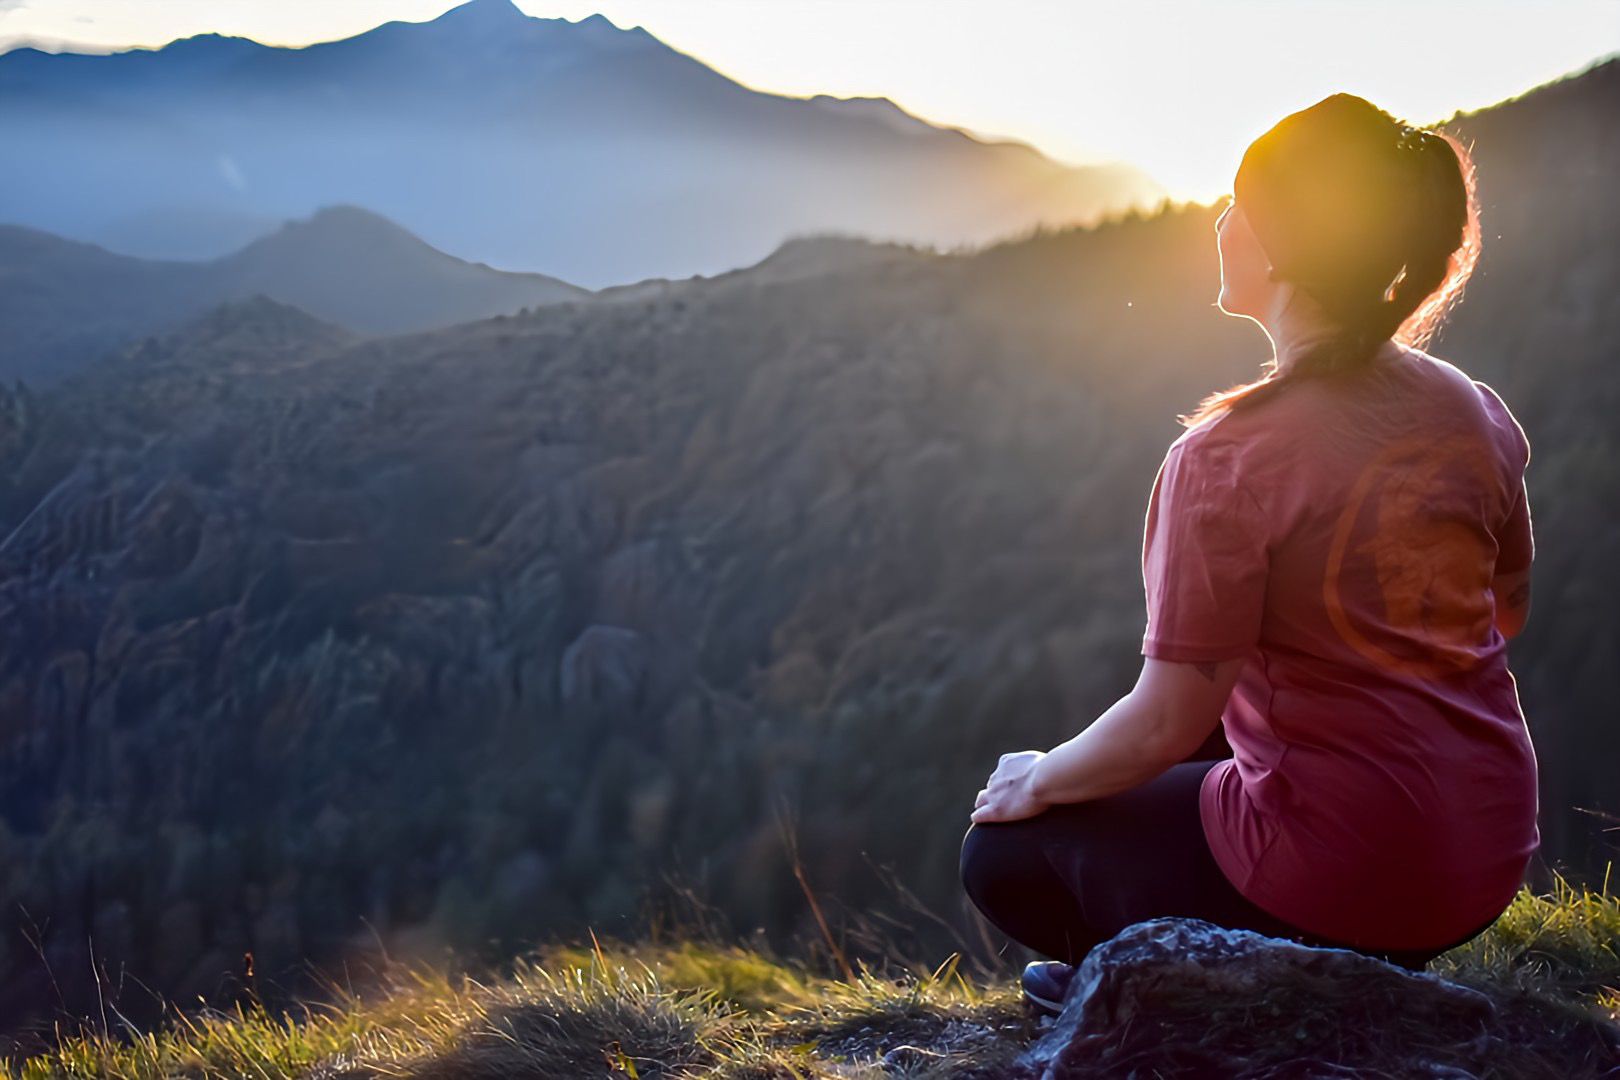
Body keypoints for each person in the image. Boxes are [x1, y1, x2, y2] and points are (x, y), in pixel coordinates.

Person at [958, 92, 1540, 1015]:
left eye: (1238, 203)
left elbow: (1162, 721)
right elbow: (1506, 607)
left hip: (1348, 879)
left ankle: (1167, 976)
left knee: (1004, 852)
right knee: (1208, 728)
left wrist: (1039, 776)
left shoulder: (1228, 458)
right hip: (1485, 854)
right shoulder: (1474, 409)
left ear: (1277, 246)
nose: (1221, 220)